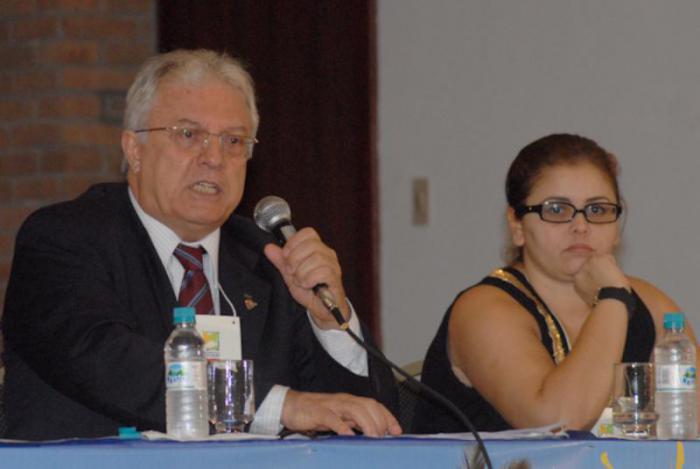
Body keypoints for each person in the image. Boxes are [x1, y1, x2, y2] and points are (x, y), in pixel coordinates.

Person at [2, 49, 400, 440]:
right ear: (134, 150)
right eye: (189, 135)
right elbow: (105, 360)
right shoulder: (64, 239)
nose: (214, 157)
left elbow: (372, 422)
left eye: (233, 140)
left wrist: (331, 323)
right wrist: (280, 406)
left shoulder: (268, 259)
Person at [414, 133, 698, 433]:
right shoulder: (482, 310)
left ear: (617, 227)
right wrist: (613, 298)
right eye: (557, 210)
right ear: (517, 225)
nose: (580, 226)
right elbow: (559, 422)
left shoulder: (652, 305)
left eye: (598, 210)